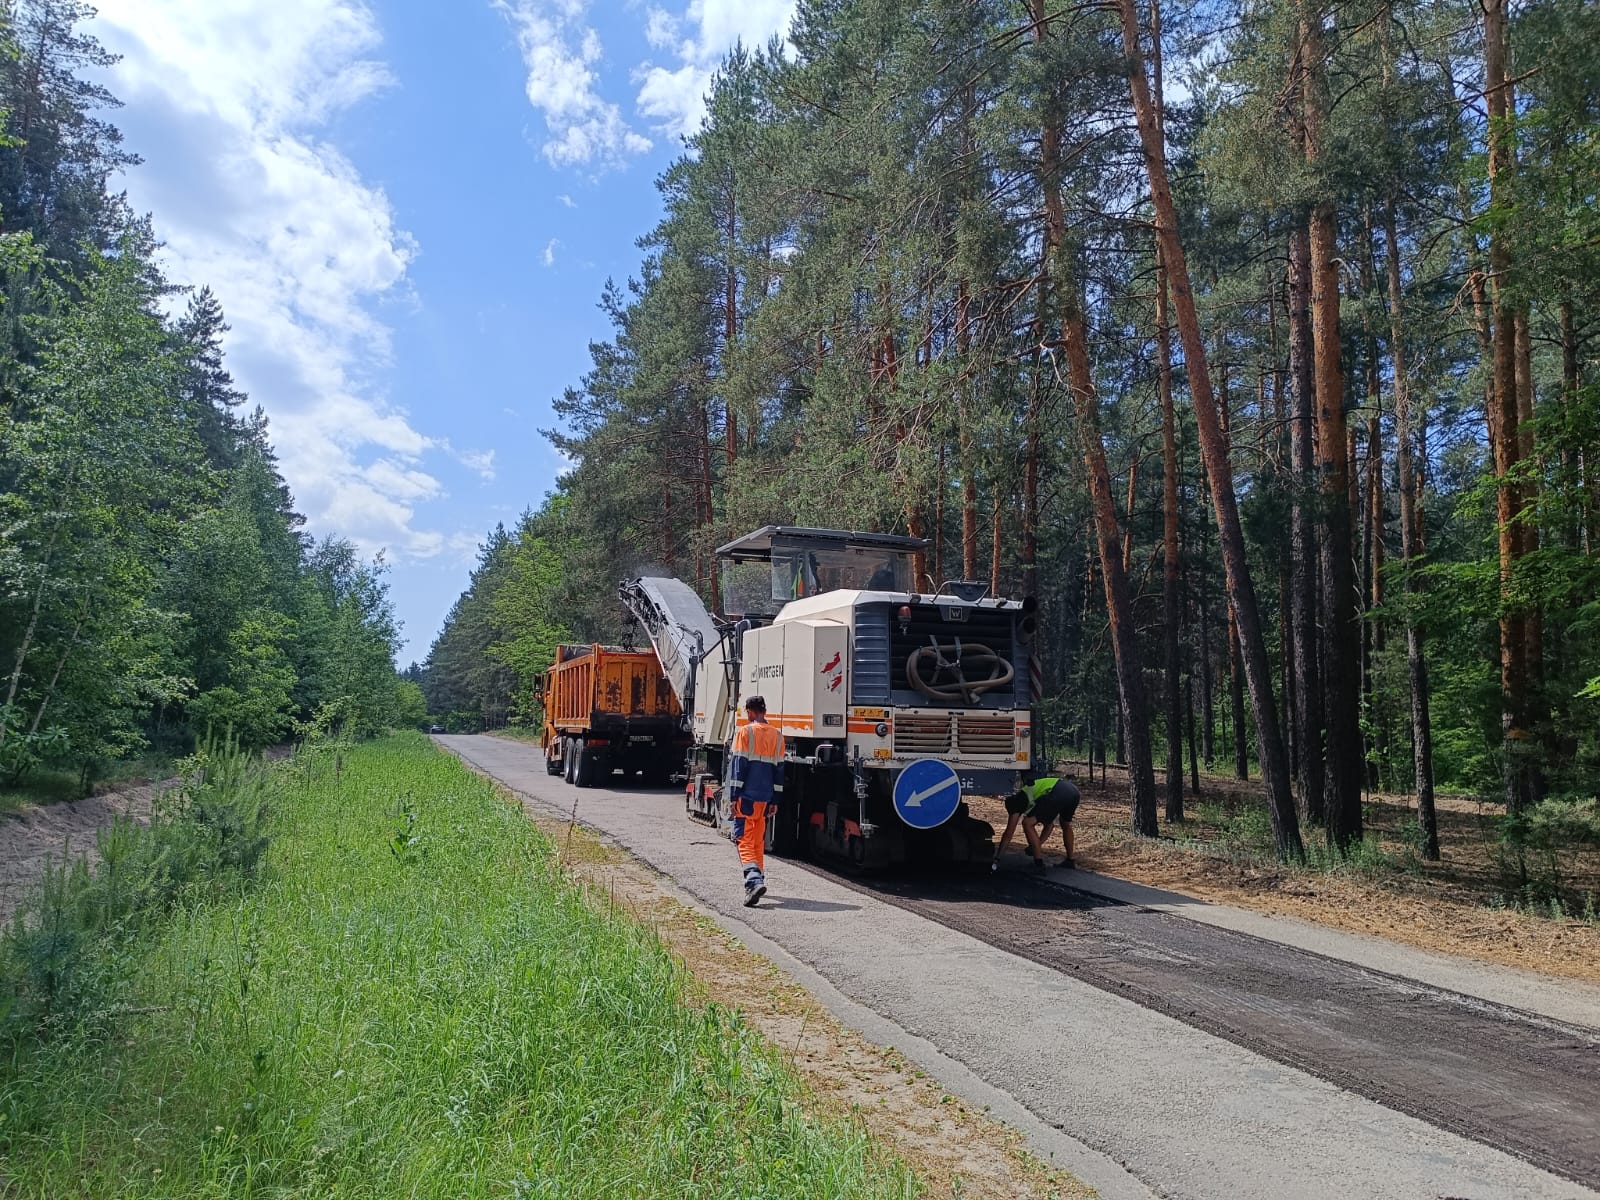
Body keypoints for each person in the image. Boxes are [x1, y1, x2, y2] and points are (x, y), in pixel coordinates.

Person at [727, 694, 784, 906]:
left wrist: (733, 796)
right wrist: (775, 799)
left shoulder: (745, 732)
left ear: (750, 712)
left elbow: (739, 766)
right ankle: (759, 876)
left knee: (743, 838)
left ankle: (752, 880)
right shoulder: (777, 735)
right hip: (765, 797)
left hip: (747, 795)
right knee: (758, 839)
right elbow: (779, 770)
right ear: (765, 711)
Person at [993, 776, 1081, 871]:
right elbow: (1049, 825)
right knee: (1065, 824)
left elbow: (1008, 834)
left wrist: (998, 858)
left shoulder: (1015, 804)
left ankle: (1038, 864)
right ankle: (1070, 860)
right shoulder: (1029, 796)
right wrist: (1037, 844)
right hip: (1073, 792)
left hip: (1057, 791)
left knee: (1027, 823)